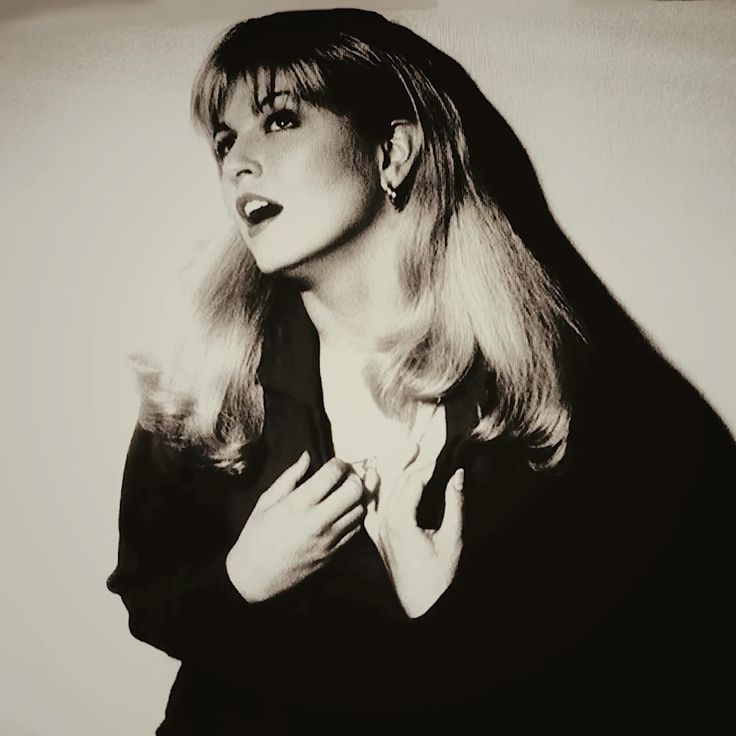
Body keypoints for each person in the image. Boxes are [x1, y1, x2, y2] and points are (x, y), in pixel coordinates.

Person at [107, 8, 735, 734]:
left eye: (279, 121)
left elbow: (660, 668)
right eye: (224, 140)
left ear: (393, 151)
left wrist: (443, 618)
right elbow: (147, 597)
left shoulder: (572, 398)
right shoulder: (205, 381)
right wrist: (240, 582)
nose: (237, 162)